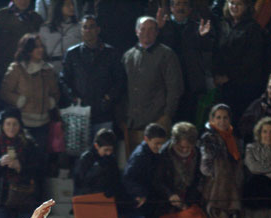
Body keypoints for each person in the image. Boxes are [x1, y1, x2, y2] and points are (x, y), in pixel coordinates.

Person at [0, 33, 59, 193]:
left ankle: (39, 198)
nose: (40, 50)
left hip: (43, 123)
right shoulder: (17, 69)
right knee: (21, 161)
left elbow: (55, 92)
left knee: (39, 161)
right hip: (23, 124)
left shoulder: (47, 70)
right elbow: (5, 91)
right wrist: (21, 101)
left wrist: (50, 102)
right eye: (36, 47)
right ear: (28, 49)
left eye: (41, 46)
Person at [122, 16, 183, 152]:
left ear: (157, 32)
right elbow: (122, 89)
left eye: (151, 29)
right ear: (136, 31)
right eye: (142, 29)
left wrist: (167, 115)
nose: (146, 33)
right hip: (133, 123)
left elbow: (175, 88)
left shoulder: (166, 55)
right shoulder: (128, 56)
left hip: (157, 120)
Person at [59, 14, 125, 137]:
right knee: (79, 153)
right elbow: (64, 80)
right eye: (85, 27)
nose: (88, 30)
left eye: (91, 27)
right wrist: (73, 98)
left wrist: (109, 98)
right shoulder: (72, 54)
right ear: (81, 30)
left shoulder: (110, 53)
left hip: (103, 112)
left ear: (98, 29)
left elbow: (120, 80)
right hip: (80, 112)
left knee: (105, 149)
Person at [157, 0, 214, 122]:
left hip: (190, 84)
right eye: (177, 4)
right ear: (171, 7)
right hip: (167, 84)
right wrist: (159, 30)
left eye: (184, 4)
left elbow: (207, 49)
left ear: (190, 9)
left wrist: (203, 37)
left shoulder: (197, 27)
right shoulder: (163, 26)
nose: (181, 8)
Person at [213, 0, 268, 123]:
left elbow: (252, 60)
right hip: (223, 84)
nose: (234, 7)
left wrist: (229, 76)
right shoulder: (223, 24)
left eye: (239, 4)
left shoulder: (253, 28)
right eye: (232, 3)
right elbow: (216, 52)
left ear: (246, 6)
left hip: (243, 85)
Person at [71, 128, 122, 218]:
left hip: (104, 202)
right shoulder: (86, 158)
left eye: (111, 150)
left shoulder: (111, 160)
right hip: (90, 201)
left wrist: (111, 190)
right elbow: (79, 181)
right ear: (96, 146)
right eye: (106, 150)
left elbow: (116, 179)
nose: (108, 153)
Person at [199, 103, 242, 218]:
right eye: (218, 118)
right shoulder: (208, 138)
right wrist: (218, 175)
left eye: (225, 118)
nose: (222, 121)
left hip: (232, 185)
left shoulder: (234, 138)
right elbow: (205, 166)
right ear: (212, 120)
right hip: (214, 187)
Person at [156, 122, 203, 218]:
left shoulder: (198, 153)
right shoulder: (164, 153)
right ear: (174, 142)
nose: (184, 150)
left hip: (190, 201)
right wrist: (170, 194)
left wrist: (189, 200)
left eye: (188, 147)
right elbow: (158, 180)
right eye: (181, 147)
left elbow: (199, 178)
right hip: (167, 203)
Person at [123, 122, 167, 218]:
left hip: (149, 202)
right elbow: (128, 178)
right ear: (146, 139)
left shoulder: (153, 154)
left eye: (162, 144)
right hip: (138, 204)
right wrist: (140, 194)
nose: (159, 147)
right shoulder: (140, 156)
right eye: (156, 143)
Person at [0, 0, 43, 74]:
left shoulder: (36, 18)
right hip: (4, 65)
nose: (23, 1)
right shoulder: (0, 16)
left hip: (30, 65)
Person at [39, 0, 81, 76]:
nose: (72, 7)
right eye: (67, 5)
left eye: (72, 4)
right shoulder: (45, 29)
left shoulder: (79, 28)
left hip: (74, 69)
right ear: (58, 6)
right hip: (52, 70)